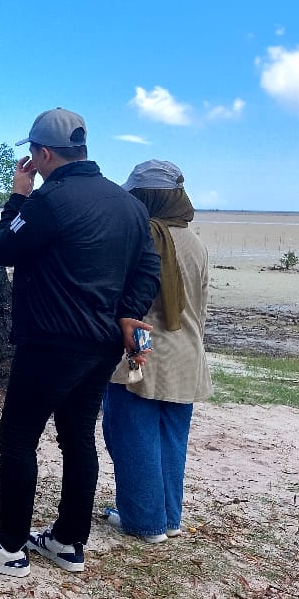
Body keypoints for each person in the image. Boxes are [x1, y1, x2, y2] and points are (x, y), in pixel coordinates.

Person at [0, 108, 161, 578]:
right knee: (77, 438)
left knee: (19, 436)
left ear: (43, 153)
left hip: (50, 341)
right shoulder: (128, 205)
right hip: (101, 343)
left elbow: (1, 248)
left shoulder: (51, 200)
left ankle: (8, 547)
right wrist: (129, 314)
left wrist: (18, 196)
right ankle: (68, 541)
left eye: (34, 156)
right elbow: (148, 269)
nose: (33, 164)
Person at [102, 160, 212, 543]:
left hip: (145, 353)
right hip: (188, 355)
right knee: (171, 440)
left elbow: (133, 303)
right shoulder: (194, 241)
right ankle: (168, 516)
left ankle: (144, 521)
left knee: (132, 436)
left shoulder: (142, 237)